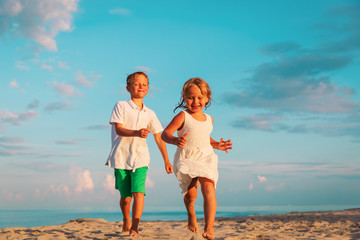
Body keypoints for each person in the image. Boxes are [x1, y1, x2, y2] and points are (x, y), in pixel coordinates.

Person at [161, 77, 232, 240]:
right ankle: (191, 213)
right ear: (184, 98)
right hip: (187, 157)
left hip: (206, 157)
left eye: (200, 98)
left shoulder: (209, 119)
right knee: (191, 194)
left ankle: (209, 228)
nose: (195, 101)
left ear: (207, 98)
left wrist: (217, 145)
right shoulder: (183, 116)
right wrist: (174, 140)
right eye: (191, 97)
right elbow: (165, 134)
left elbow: (205, 138)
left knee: (208, 187)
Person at [106, 72, 173, 237]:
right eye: (136, 84)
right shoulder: (120, 105)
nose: (141, 86)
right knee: (126, 198)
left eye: (144, 84)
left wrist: (166, 160)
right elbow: (119, 129)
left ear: (148, 89)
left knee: (138, 193)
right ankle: (126, 219)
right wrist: (137, 132)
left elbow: (159, 136)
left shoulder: (150, 113)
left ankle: (135, 227)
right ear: (128, 88)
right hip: (121, 157)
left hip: (140, 158)